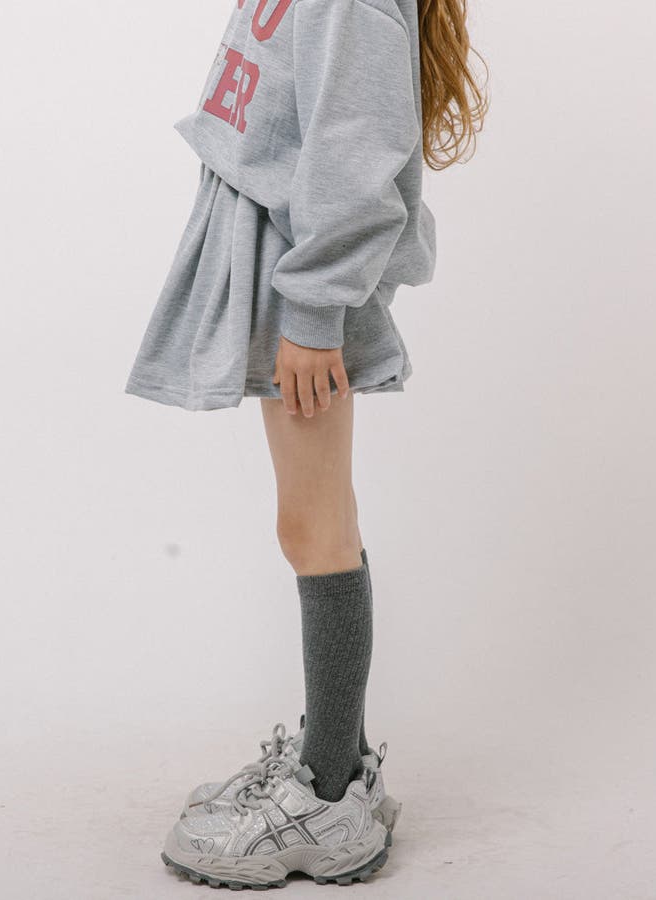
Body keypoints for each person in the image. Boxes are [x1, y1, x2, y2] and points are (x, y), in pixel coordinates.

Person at [124, 0, 487, 888]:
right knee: (321, 519)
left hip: (296, 277)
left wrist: (315, 314)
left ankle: (326, 796)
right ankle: (340, 766)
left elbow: (358, 149)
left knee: (312, 524)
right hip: (281, 257)